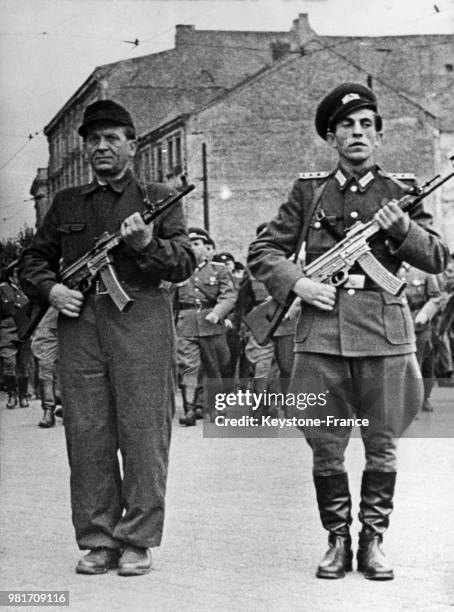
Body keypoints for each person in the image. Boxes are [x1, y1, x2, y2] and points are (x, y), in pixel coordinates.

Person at [247, 83, 449, 581]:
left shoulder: (401, 190)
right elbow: (262, 251)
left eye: (366, 126)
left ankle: (373, 542)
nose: (356, 133)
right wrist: (299, 283)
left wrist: (402, 229)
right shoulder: (308, 191)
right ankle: (336, 540)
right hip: (320, 336)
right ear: (331, 137)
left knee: (383, 442)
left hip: (384, 335)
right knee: (325, 442)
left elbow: (438, 258)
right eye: (346, 126)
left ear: (378, 138)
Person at [19, 99, 195, 576]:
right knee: (88, 433)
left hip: (141, 317)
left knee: (143, 432)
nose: (101, 147)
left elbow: (183, 264)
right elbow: (34, 260)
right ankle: (98, 538)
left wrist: (146, 245)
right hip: (81, 324)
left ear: (132, 145)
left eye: (112, 138)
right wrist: (52, 290)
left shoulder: (158, 197)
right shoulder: (67, 203)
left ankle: (137, 539)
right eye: (93, 140)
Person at [175, 228, 236, 425]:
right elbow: (169, 299)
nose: (193, 248)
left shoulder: (219, 270)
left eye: (196, 244)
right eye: (189, 245)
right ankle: (190, 410)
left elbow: (229, 295)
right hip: (186, 325)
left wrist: (217, 313)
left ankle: (217, 409)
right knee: (188, 367)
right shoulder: (177, 271)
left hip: (211, 325)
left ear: (205, 247)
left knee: (214, 368)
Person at [397, 263, 443, 413]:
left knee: (423, 363)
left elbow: (436, 296)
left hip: (419, 324)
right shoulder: (390, 266)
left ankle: (423, 398)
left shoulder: (424, 268)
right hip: (395, 324)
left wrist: (425, 313)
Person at [0, 260, 31, 409]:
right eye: (18, 274)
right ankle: (12, 395)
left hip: (24, 330)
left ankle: (23, 396)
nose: (21, 276)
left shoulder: (25, 290)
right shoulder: (3, 289)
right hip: (6, 330)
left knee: (23, 365)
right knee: (9, 363)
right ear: (11, 276)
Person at [31, 306, 60, 428]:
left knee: (72, 367)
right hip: (48, 321)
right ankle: (48, 410)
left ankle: (69, 407)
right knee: (45, 368)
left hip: (76, 321)